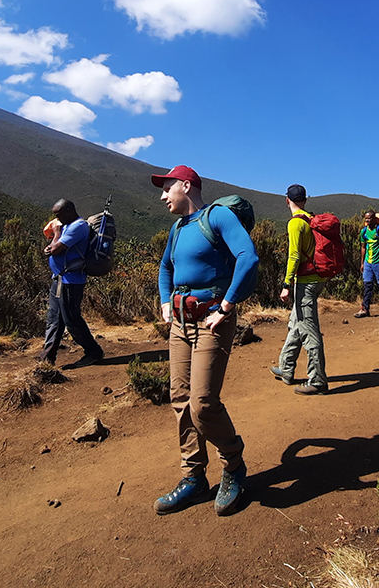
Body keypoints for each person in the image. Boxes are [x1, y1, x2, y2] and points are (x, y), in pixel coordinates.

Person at [151, 165, 260, 516]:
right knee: (180, 399)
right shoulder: (177, 228)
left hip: (212, 323)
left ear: (187, 185)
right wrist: (166, 301)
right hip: (181, 323)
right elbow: (165, 266)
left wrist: (227, 305)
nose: (163, 195)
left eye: (167, 188)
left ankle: (233, 465)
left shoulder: (218, 216)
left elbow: (248, 257)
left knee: (202, 403)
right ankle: (193, 477)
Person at [270, 184, 327, 395]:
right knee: (296, 322)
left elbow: (293, 256)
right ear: (305, 200)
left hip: (305, 282)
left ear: (287, 200)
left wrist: (286, 284)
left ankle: (318, 380)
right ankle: (286, 368)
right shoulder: (311, 219)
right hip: (317, 278)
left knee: (309, 330)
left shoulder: (295, 224)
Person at [38, 199, 105, 368]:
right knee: (54, 319)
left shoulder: (78, 226)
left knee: (71, 319)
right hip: (59, 279)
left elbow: (54, 249)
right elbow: (50, 250)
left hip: (71, 281)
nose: (56, 218)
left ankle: (93, 352)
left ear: (69, 210)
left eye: (58, 214)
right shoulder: (66, 225)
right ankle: (47, 358)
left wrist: (56, 233)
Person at [355, 211, 379, 318]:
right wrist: (362, 263)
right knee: (367, 285)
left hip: (378, 262)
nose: (367, 220)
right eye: (366, 218)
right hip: (368, 262)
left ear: (374, 219)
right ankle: (365, 309)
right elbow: (363, 247)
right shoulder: (364, 232)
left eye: (369, 218)